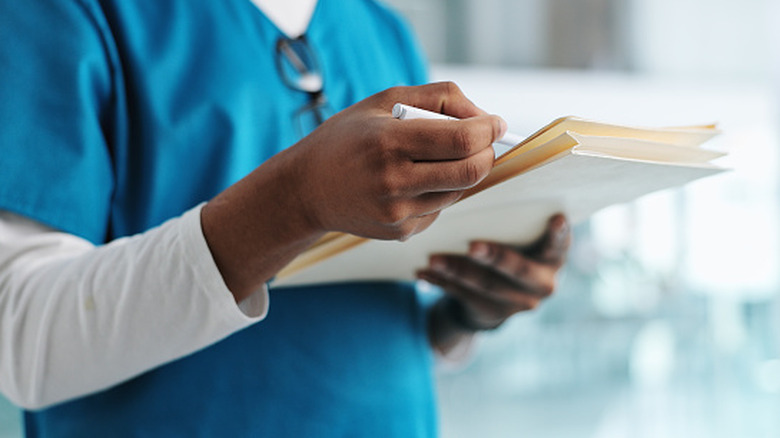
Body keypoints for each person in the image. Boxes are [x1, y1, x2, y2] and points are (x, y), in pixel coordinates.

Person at [0, 0, 571, 436]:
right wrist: (294, 201)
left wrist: (465, 312)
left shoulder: (380, 29)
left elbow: (355, 340)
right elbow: (23, 342)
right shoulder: (66, 15)